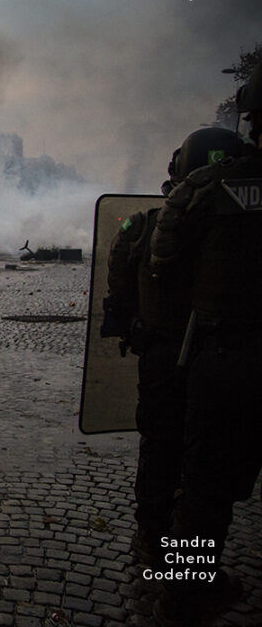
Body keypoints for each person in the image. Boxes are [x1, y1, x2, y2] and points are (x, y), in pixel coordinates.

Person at [148, 68, 262, 626]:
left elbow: (164, 265)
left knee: (204, 487)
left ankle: (185, 592)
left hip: (224, 355)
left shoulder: (207, 190)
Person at [100, 128, 243, 565]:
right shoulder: (234, 229)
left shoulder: (142, 226)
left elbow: (118, 292)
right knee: (207, 467)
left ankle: (155, 539)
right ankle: (188, 565)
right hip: (222, 359)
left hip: (164, 356)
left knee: (160, 449)